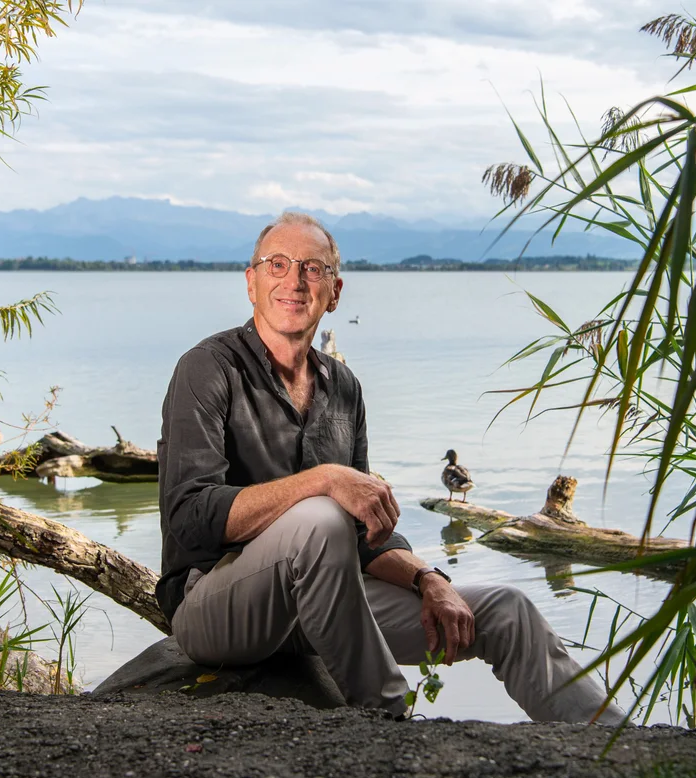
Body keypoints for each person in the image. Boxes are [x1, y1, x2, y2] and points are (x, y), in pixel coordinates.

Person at [156, 211, 624, 724]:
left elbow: (365, 534)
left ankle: (617, 752)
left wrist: (428, 579)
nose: (293, 281)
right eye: (277, 264)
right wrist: (325, 480)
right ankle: (390, 720)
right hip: (218, 608)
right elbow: (190, 514)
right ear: (251, 283)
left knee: (506, 610)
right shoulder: (206, 368)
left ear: (334, 292)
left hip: (324, 610)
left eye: (312, 268)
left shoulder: (344, 388)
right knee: (321, 515)